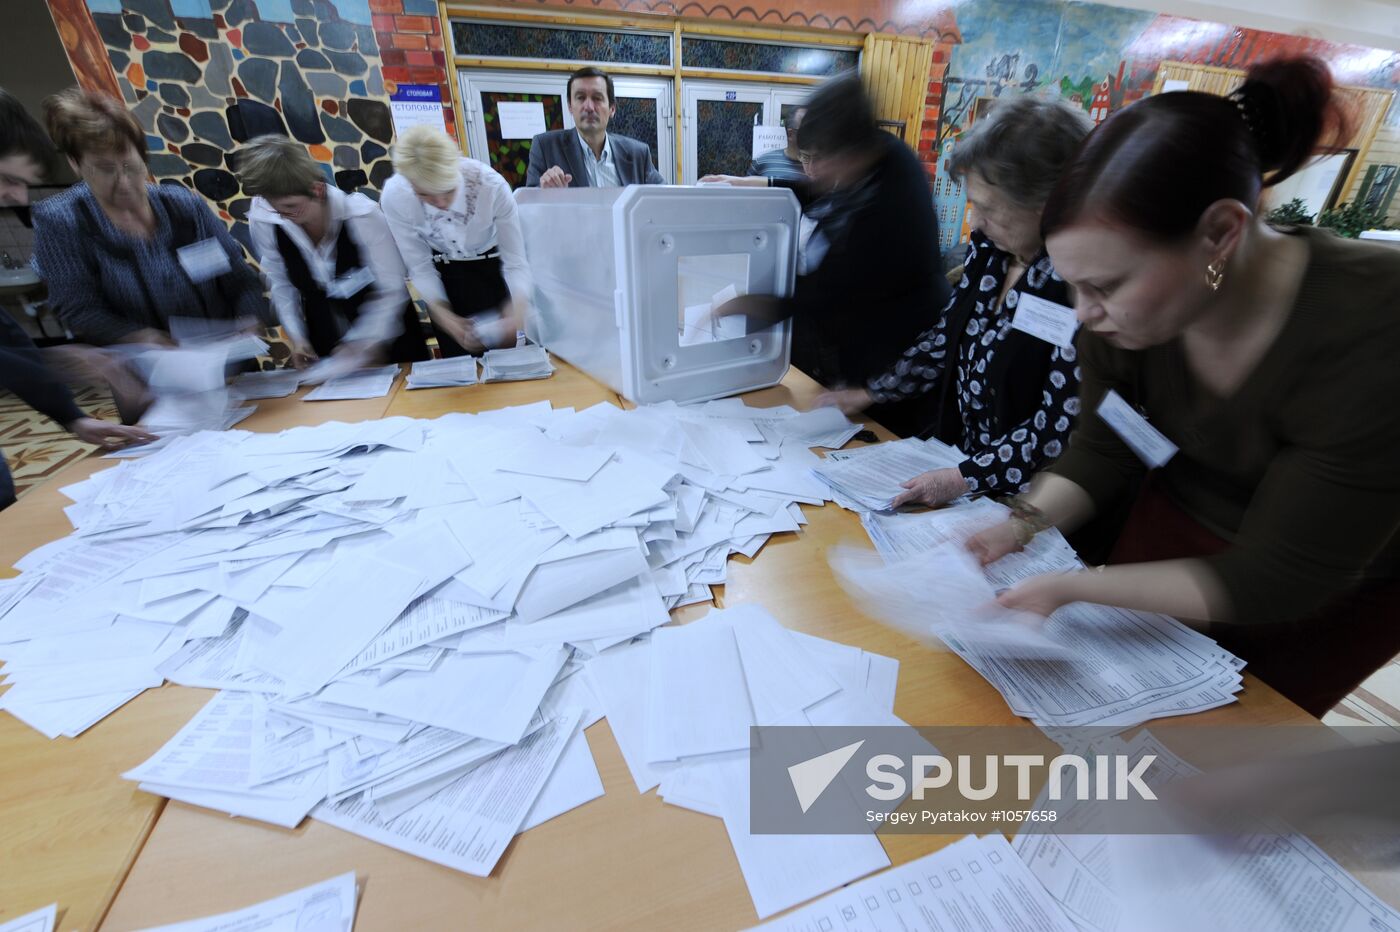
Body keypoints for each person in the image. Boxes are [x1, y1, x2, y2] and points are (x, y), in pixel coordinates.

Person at [965, 57, 1400, 718]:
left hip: (1329, 582)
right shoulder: (1124, 316)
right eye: (1073, 283)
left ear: (1220, 235)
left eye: (1106, 287)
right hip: (1175, 534)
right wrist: (1019, 525)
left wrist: (1070, 588)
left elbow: (1278, 578)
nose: (1082, 312)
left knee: (1235, 747)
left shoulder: (1373, 330)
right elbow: (1106, 444)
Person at [815, 96, 1091, 508]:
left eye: (989, 209)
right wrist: (872, 393)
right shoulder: (989, 248)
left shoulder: (1081, 284)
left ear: (1047, 205)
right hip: (961, 467)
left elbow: (1057, 427)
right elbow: (948, 335)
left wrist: (964, 478)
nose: (974, 222)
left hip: (1033, 501)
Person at [702, 73, 949, 433]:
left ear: (849, 150)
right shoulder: (869, 159)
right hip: (860, 354)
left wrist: (741, 305)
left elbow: (818, 294)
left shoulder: (892, 204)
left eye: (822, 159)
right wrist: (744, 183)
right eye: (806, 157)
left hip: (901, 367)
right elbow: (810, 190)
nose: (813, 172)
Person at [0, 87, 155, 507]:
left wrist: (71, 416)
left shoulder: (172, 203)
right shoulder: (62, 220)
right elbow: (75, 305)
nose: (15, 196)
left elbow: (6, 342)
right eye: (7, 179)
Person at [30, 88, 269, 350]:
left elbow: (239, 279)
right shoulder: (62, 221)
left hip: (228, 362)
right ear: (75, 163)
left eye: (129, 166)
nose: (123, 183)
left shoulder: (184, 207)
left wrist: (249, 319)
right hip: (145, 377)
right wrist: (141, 337)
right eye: (105, 169)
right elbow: (79, 310)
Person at [238, 135, 429, 367]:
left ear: (317, 190)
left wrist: (367, 343)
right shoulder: (267, 219)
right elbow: (281, 284)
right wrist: (298, 338)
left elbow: (391, 289)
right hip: (326, 339)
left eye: (291, 207)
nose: (285, 217)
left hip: (389, 338)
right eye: (277, 209)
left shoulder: (363, 216)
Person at [380, 124, 532, 357]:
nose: (440, 203)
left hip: (496, 269)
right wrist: (444, 316)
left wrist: (517, 310)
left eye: (448, 190)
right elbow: (420, 266)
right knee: (459, 362)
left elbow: (516, 262)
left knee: (514, 361)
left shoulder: (491, 186)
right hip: (447, 278)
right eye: (424, 195)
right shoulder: (395, 196)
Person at [525, 66, 664, 188]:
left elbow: (664, 197)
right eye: (580, 97)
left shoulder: (637, 154)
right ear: (570, 107)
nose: (589, 107)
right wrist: (543, 191)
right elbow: (529, 205)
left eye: (597, 98)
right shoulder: (545, 147)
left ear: (612, 109)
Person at [747, 107, 808, 182]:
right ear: (790, 134)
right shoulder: (762, 162)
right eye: (807, 130)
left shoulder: (818, 166)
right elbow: (747, 192)